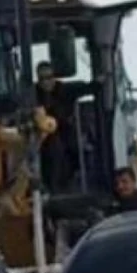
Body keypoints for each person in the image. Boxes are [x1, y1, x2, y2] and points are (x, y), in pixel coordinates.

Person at [34, 61, 94, 192]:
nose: (46, 82)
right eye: (42, 79)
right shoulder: (33, 95)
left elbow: (87, 88)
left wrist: (99, 82)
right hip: (40, 137)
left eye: (49, 77)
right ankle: (49, 187)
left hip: (66, 131)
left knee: (70, 147)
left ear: (55, 77)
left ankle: (66, 183)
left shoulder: (65, 90)